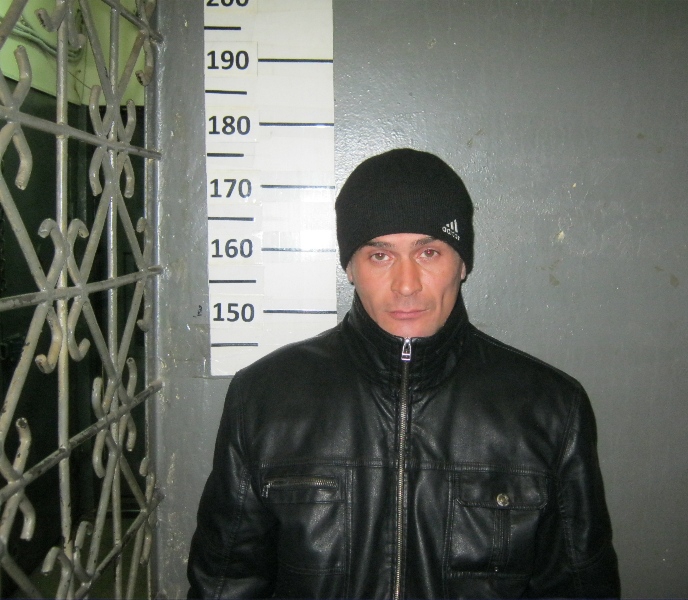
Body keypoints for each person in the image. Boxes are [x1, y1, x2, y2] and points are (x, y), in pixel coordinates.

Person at [187, 148, 620, 598]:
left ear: (462, 263)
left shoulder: (549, 408)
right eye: (380, 255)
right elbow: (226, 584)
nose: (407, 284)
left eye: (429, 252)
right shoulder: (264, 398)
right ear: (350, 267)